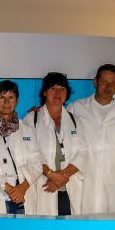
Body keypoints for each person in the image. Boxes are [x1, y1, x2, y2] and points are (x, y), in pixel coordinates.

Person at [69, 63, 115, 213]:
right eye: (104, 82)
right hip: (86, 182)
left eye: (112, 83)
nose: (108, 87)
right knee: (87, 223)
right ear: (95, 82)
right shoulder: (76, 108)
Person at [24, 72, 90, 216]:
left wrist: (60, 178)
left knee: (71, 228)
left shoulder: (75, 120)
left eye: (62, 89)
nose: (58, 93)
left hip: (69, 185)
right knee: (46, 227)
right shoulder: (31, 119)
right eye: (53, 88)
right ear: (45, 92)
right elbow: (29, 154)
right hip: (45, 184)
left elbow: (83, 152)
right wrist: (51, 175)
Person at [0, 80, 37, 214]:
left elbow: (37, 163)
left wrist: (22, 188)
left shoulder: (27, 130)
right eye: (2, 97)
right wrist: (7, 187)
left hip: (23, 194)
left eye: (11, 97)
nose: (7, 102)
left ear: (17, 101)